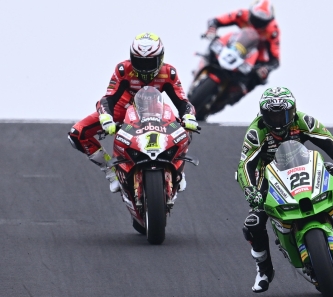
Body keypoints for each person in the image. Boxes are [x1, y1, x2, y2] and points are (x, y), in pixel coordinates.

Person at [236, 87, 333, 293]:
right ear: (263, 114)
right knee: (253, 223)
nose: (277, 121)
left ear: (292, 111)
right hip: (269, 176)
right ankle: (264, 270)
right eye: (272, 115)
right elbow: (246, 165)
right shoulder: (255, 132)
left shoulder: (304, 121)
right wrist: (251, 189)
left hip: (304, 167)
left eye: (282, 115)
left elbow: (330, 140)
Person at [68, 33, 199, 193]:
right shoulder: (123, 70)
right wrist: (106, 117)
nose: (144, 68)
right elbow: (108, 99)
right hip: (122, 111)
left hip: (156, 110)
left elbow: (183, 102)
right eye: (139, 62)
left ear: (161, 58)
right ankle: (111, 171)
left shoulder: (169, 72)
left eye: (150, 62)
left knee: (186, 129)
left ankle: (177, 169)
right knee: (76, 134)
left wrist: (189, 116)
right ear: (131, 57)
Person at [203, 0, 280, 104]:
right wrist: (211, 30)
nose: (257, 24)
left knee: (260, 77)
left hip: (255, 55)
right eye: (256, 19)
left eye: (262, 22)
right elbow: (216, 20)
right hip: (235, 44)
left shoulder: (273, 30)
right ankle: (204, 63)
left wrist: (266, 68)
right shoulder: (242, 14)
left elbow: (275, 59)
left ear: (269, 21)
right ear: (251, 13)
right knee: (216, 42)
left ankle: (238, 93)